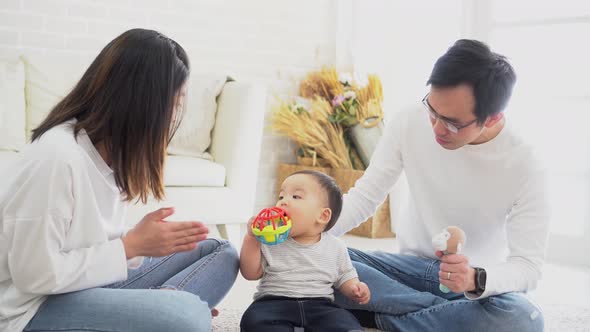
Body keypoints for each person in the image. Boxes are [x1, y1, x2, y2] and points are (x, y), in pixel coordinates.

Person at [0, 29, 239, 332]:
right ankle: (164, 313)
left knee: (220, 252)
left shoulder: (107, 152)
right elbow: (33, 275)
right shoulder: (57, 158)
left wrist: (138, 244)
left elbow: (86, 242)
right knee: (187, 316)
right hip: (30, 309)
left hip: (82, 286)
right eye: (174, 103)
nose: (175, 115)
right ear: (142, 102)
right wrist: (130, 246)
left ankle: (157, 311)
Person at [329, 39, 548, 331]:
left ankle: (380, 316)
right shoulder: (408, 120)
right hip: (404, 270)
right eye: (432, 111)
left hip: (470, 285)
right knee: (319, 259)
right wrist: (310, 235)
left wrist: (475, 278)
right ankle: (436, 318)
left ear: (493, 116)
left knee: (523, 318)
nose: (436, 128)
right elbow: (366, 196)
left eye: (453, 123)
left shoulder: (526, 164)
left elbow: (528, 267)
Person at [240, 170, 370, 332]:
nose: (283, 202)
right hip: (273, 303)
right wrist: (252, 239)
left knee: (345, 321)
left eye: (296, 196)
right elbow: (250, 273)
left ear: (322, 216)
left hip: (320, 306)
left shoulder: (336, 246)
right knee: (253, 320)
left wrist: (355, 288)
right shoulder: (271, 241)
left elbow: (345, 275)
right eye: (281, 196)